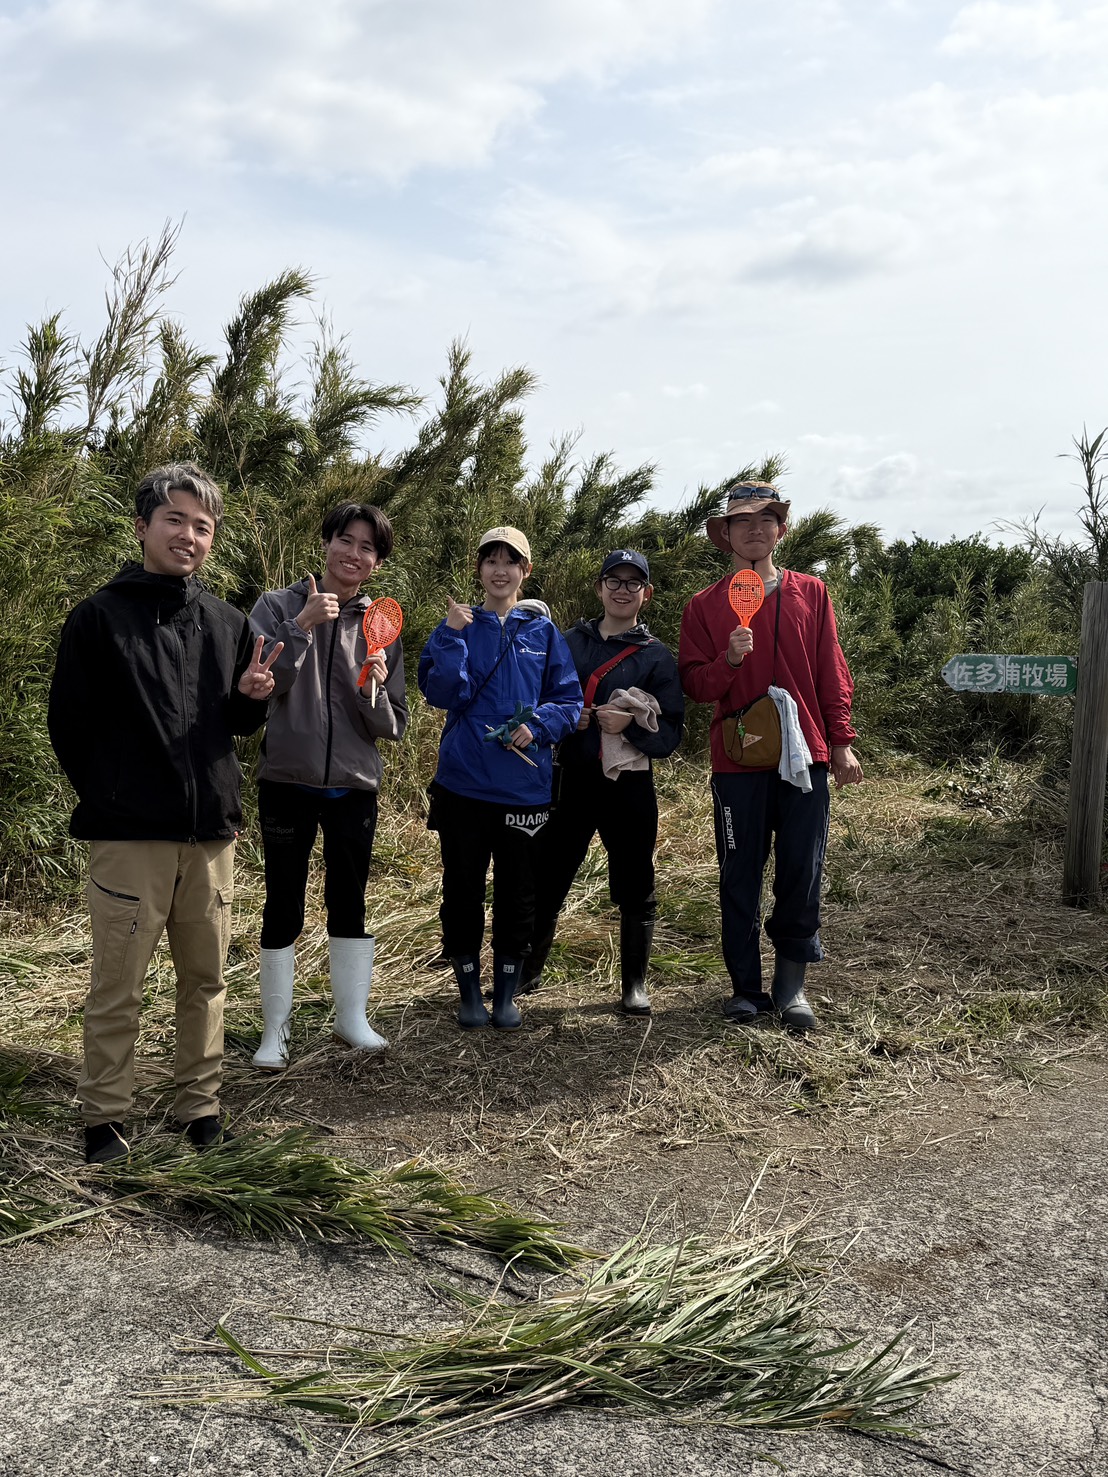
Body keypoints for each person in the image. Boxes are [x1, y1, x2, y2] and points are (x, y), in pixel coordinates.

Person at [48, 462, 280, 1164]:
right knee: (117, 984)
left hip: (211, 836)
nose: (188, 535)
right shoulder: (98, 617)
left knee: (205, 981)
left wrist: (253, 696)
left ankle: (198, 1108)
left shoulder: (227, 621)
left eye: (202, 526)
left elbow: (234, 725)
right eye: (175, 519)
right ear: (143, 525)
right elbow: (69, 724)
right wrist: (112, 795)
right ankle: (104, 1118)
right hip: (129, 837)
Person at [678, 481, 863, 1031]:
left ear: (780, 529)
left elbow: (831, 671)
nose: (754, 529)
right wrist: (729, 662)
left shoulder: (812, 592)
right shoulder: (705, 606)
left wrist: (843, 741)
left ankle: (791, 989)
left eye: (766, 519)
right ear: (726, 534)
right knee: (739, 872)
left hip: (807, 756)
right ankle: (744, 988)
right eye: (742, 522)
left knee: (801, 869)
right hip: (738, 761)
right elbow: (695, 685)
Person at [246, 503, 408, 1070]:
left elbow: (391, 725)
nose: (353, 554)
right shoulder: (277, 606)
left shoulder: (380, 624)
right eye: (346, 540)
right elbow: (263, 687)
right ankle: (275, 1030)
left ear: (376, 564)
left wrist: (377, 684)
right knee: (282, 903)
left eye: (367, 548)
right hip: (287, 781)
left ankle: (350, 1019)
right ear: (327, 543)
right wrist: (304, 625)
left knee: (350, 901)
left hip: (354, 785)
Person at [418, 526, 582, 1029]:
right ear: (479, 569)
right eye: (490, 559)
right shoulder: (459, 625)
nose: (500, 569)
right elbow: (441, 692)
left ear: (525, 572)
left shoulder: (544, 634)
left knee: (519, 892)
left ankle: (506, 990)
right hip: (464, 784)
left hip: (525, 789)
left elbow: (570, 700)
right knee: (462, 888)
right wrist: (448, 635)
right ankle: (468, 990)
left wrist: (538, 725)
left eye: (511, 561)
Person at [519, 549, 684, 1015]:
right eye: (614, 579)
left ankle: (633, 984)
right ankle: (528, 973)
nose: (622, 589)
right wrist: (568, 719)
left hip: (628, 785)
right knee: (547, 876)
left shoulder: (656, 657)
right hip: (569, 777)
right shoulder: (567, 641)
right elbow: (538, 700)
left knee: (635, 880)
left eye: (634, 583)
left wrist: (627, 727)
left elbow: (671, 733)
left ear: (646, 595)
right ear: (599, 588)